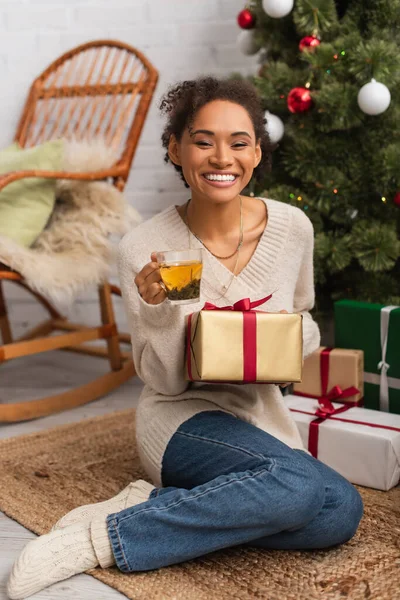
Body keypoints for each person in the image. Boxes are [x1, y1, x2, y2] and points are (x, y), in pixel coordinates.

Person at [7, 76, 363, 600]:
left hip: (261, 416)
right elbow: (164, 378)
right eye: (203, 140)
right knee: (302, 489)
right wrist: (162, 311)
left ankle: (146, 506)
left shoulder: (293, 228)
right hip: (181, 417)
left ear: (257, 153)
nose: (223, 157)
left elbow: (305, 321)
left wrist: (277, 337)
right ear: (176, 149)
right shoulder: (147, 247)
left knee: (339, 511)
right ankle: (98, 539)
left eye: (239, 142)